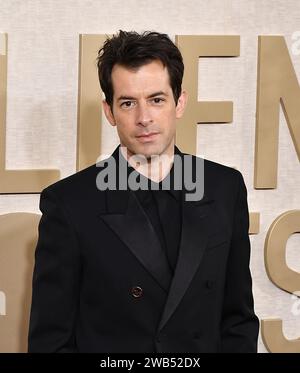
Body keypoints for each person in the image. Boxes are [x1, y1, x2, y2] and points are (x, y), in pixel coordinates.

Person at [28, 30, 259, 353]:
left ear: (179, 102)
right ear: (110, 112)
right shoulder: (68, 204)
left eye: (156, 99)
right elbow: (51, 343)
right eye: (127, 103)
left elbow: (238, 320)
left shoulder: (225, 187)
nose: (144, 118)